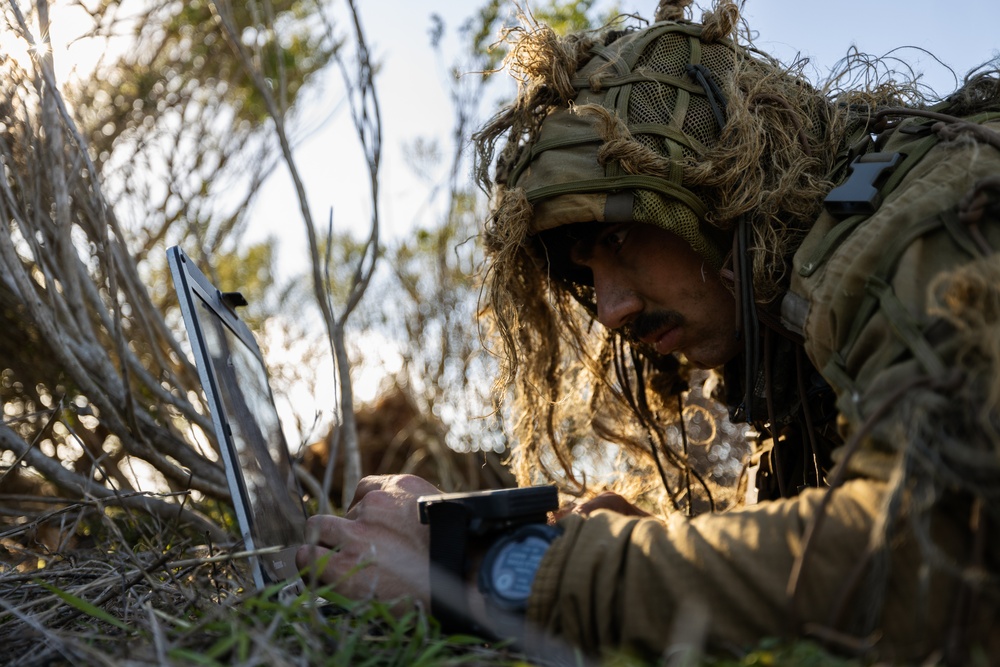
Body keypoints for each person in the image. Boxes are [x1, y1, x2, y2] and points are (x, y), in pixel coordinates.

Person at [297, 0, 1000, 662]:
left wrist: (495, 567)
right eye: (587, 272)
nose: (610, 310)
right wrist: (647, 546)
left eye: (625, 236)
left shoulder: (922, 233)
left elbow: (927, 556)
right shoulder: (797, 318)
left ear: (719, 189)